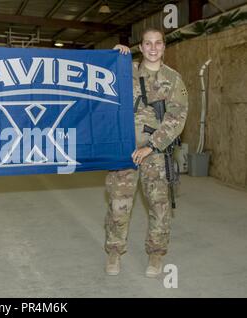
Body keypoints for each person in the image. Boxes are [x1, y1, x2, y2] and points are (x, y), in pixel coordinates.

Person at [105, 28, 188, 277]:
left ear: (164, 47)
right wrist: (116, 56)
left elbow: (177, 118)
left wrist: (151, 146)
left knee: (159, 205)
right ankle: (114, 251)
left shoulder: (173, 79)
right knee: (119, 204)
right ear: (140, 47)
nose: (153, 48)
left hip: (156, 153)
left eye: (158, 43)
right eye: (147, 44)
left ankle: (156, 254)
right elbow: (101, 85)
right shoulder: (125, 71)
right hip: (124, 151)